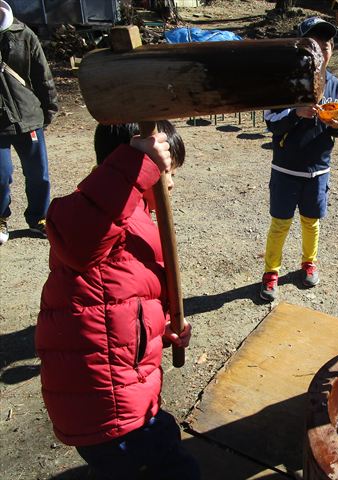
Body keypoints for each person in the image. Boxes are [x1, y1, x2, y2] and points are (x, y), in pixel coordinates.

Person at [36, 121, 200, 480]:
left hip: (118, 398)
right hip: (107, 409)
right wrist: (135, 164)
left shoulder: (132, 219)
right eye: (166, 172)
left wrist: (163, 330)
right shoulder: (95, 224)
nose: (170, 183)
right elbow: (76, 230)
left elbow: (123, 305)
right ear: (133, 165)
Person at [259, 16, 338, 302]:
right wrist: (295, 113)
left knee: (312, 222)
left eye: (326, 44)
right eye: (313, 43)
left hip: (318, 170)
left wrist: (336, 124)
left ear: (331, 50)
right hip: (286, 167)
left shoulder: (336, 85)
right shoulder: (287, 82)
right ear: (301, 48)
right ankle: (271, 272)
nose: (320, 49)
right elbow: (270, 119)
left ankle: (308, 263)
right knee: (280, 222)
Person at [0, 1, 57, 244]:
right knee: (1, 175)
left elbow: (41, 74)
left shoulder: (24, 34)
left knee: (38, 173)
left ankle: (39, 218)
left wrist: (50, 108)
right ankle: (1, 217)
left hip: (28, 115)